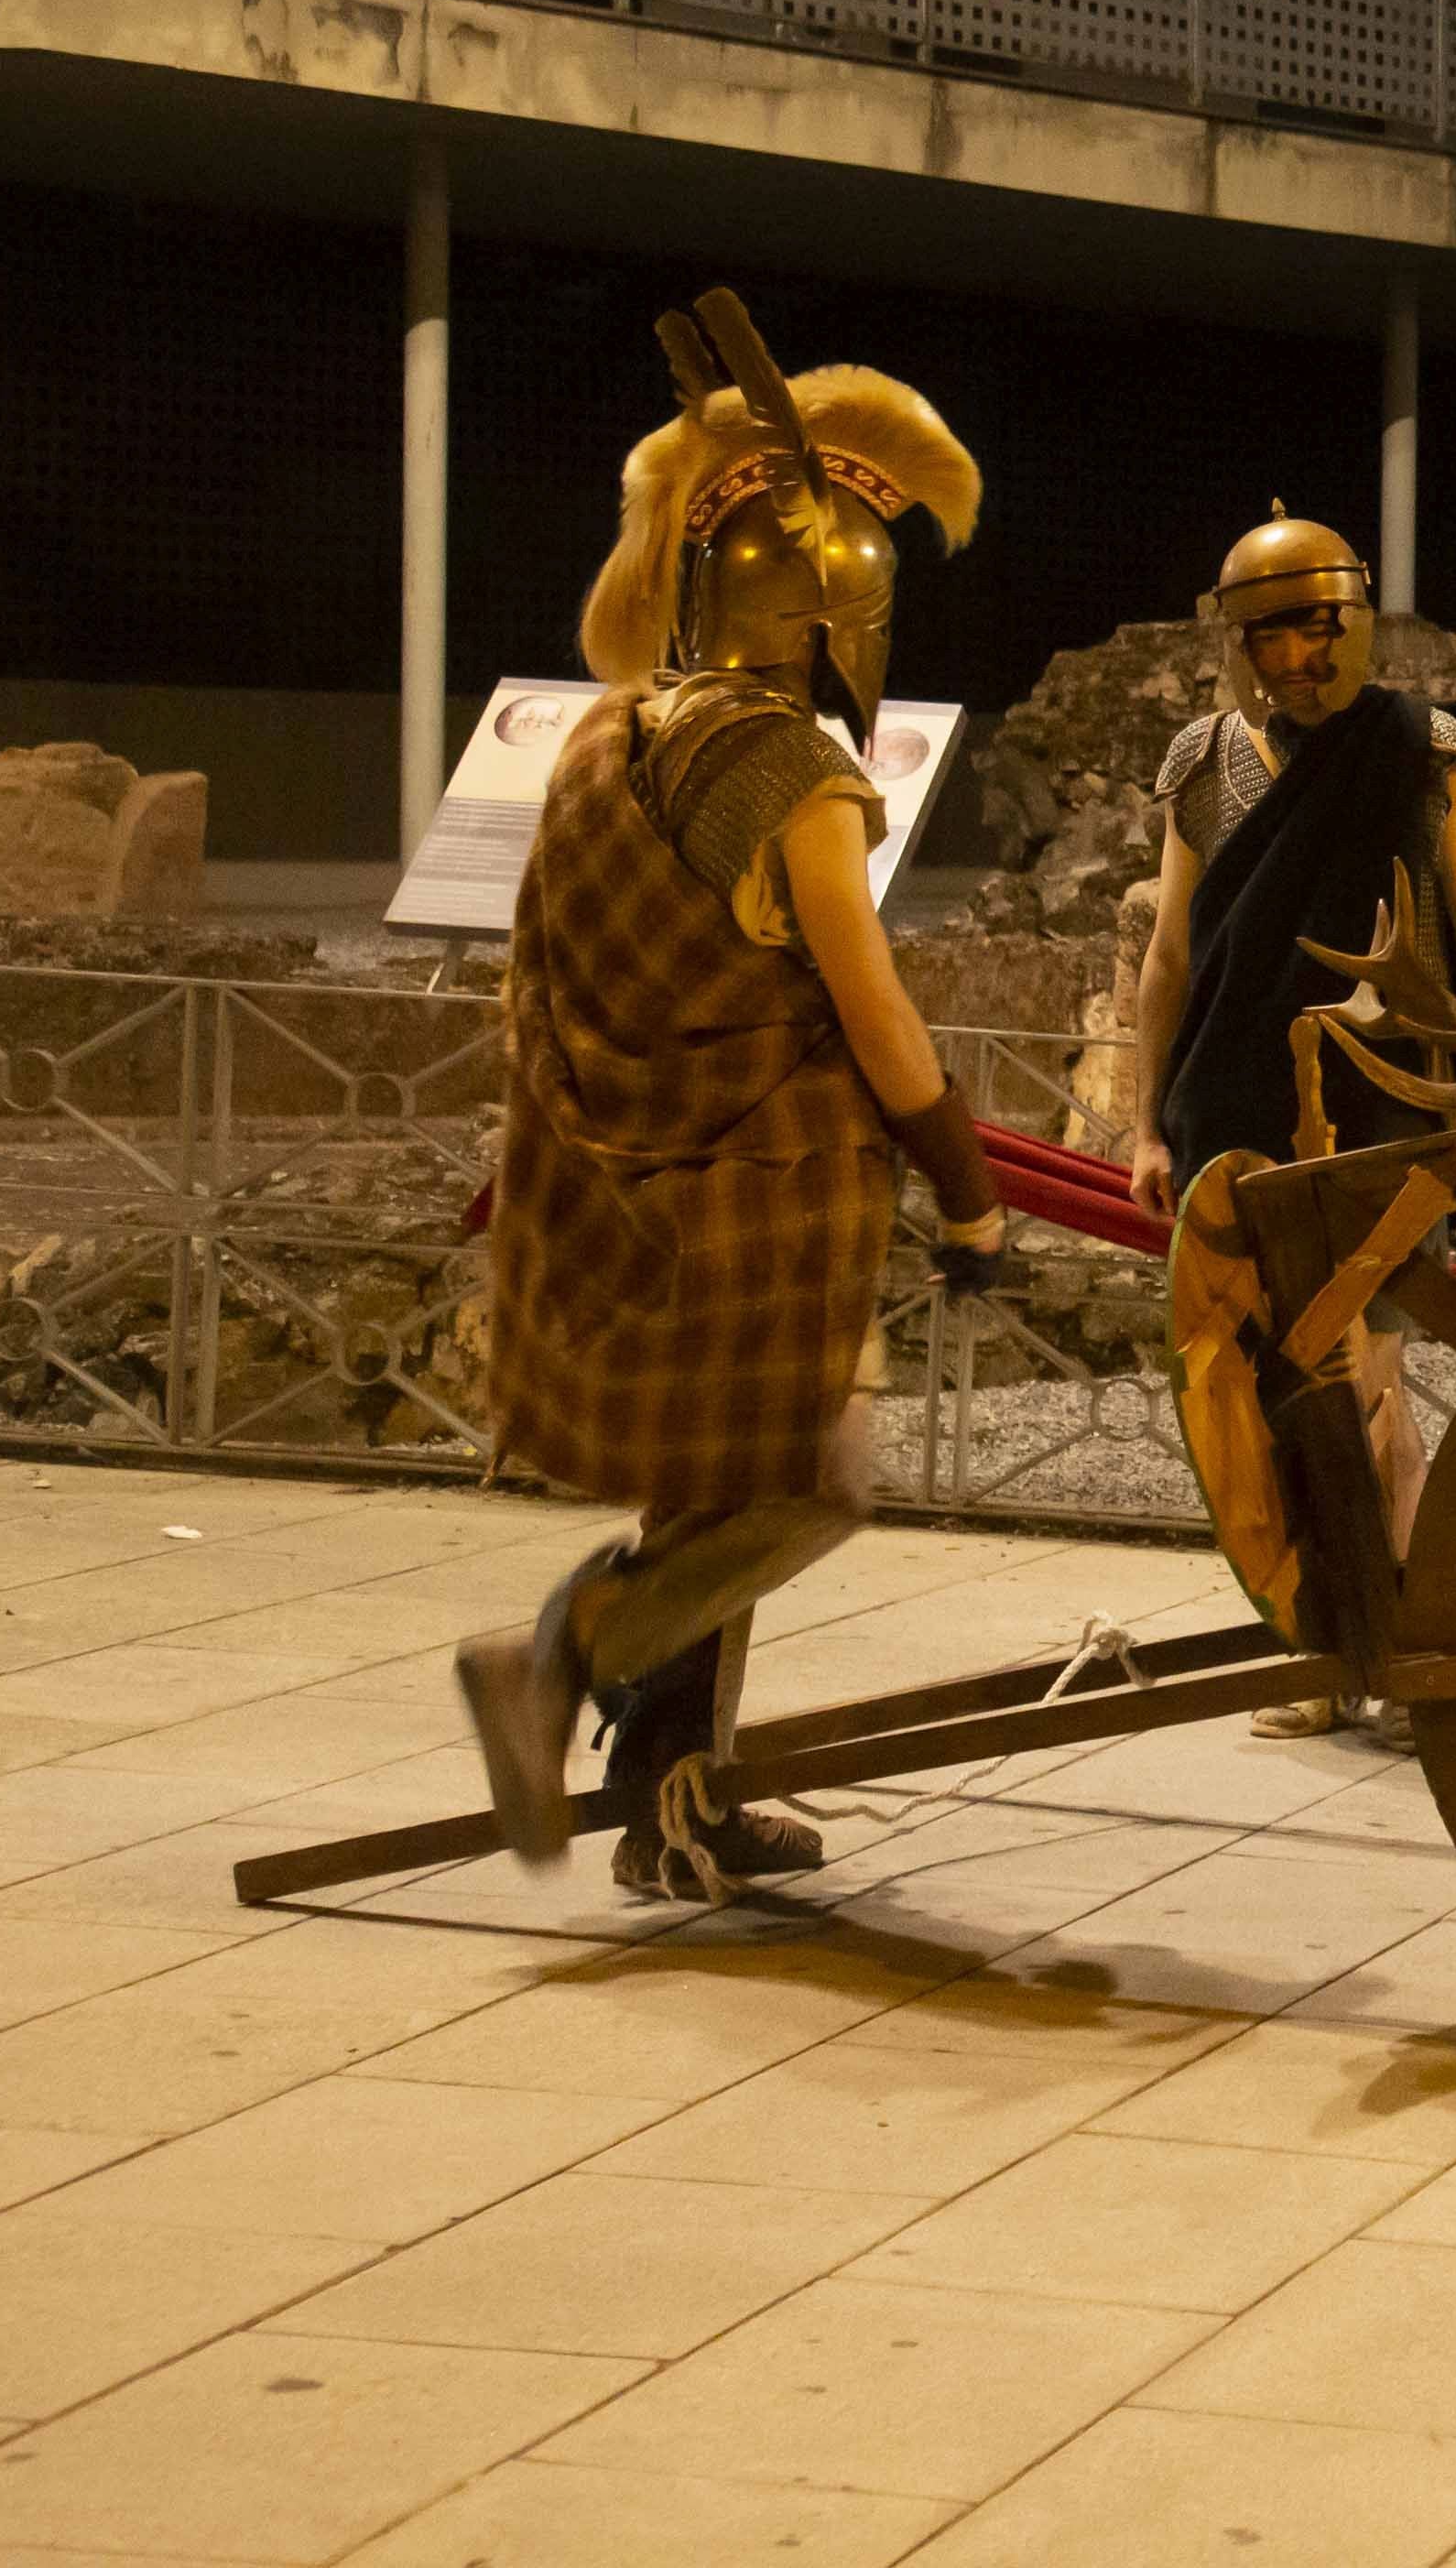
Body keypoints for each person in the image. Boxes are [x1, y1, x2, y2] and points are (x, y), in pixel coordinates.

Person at [451, 300, 997, 1904]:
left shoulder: (601, 741)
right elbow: (876, 1013)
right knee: (806, 1485)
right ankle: (563, 1651)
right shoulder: (799, 779)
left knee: (708, 1494)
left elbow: (554, 970)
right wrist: (965, 1184)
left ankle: (671, 1811)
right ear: (843, 618)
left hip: (618, 1180)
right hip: (756, 1196)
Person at [1126, 508, 1456, 1741]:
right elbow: (1172, 952)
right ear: (1239, 643)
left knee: (1376, 1379)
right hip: (1234, 1119)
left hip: (1383, 1111)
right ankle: (1314, 1648)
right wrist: (1144, 1123)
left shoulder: (1423, 747)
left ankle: (1403, 1641)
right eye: (1273, 634)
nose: (1300, 654)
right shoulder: (1202, 762)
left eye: (1318, 626)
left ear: (1352, 623)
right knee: (1265, 1389)